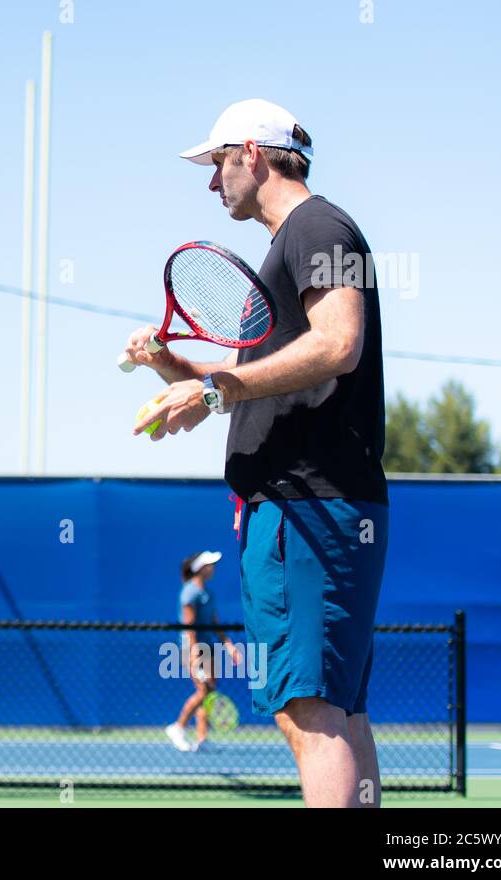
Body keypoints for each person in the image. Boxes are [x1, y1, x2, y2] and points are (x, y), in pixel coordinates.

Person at [124, 99, 388, 807]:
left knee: (311, 711)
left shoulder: (320, 226)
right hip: (305, 507)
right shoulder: (289, 249)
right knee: (335, 709)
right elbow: (250, 393)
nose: (212, 184)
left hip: (309, 507)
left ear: (252, 152)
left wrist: (214, 390)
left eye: (216, 165)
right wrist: (170, 367)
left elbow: (338, 344)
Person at [165, 551, 243, 753]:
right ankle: (178, 726)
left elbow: (215, 624)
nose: (214, 567)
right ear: (201, 568)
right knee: (204, 690)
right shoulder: (189, 593)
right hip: (193, 649)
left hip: (209, 647)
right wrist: (194, 653)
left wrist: (229, 646)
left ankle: (202, 738)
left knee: (209, 692)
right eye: (210, 564)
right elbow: (189, 626)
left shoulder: (208, 594)